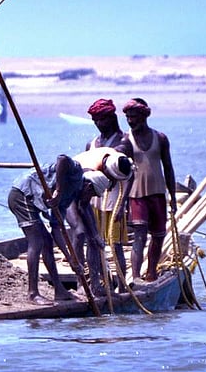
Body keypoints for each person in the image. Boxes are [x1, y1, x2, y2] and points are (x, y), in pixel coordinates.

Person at [7, 154, 83, 304]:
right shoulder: (76, 173)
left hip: (30, 201)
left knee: (47, 241)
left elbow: (57, 230)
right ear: (87, 186)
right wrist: (59, 190)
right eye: (90, 192)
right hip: (22, 194)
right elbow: (62, 159)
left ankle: (59, 290)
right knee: (37, 242)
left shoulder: (68, 198)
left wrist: (71, 259)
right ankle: (33, 293)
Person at [122, 97, 178, 283]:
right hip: (136, 194)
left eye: (134, 117)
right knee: (139, 234)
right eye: (128, 117)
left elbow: (168, 167)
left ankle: (151, 272)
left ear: (144, 116)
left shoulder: (160, 138)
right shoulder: (126, 140)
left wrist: (172, 197)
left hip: (157, 193)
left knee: (159, 235)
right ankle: (136, 276)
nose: (131, 121)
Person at [83, 98, 132, 283]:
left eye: (101, 119)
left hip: (114, 199)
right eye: (95, 120)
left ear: (112, 118)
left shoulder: (123, 142)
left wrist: (122, 205)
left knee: (115, 243)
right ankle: (97, 282)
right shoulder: (92, 143)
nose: (98, 124)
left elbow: (130, 176)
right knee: (93, 242)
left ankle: (121, 284)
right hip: (94, 199)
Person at [74, 146, 134, 291]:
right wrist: (94, 233)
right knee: (84, 235)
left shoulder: (117, 158)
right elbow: (82, 206)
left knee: (105, 242)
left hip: (88, 193)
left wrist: (122, 204)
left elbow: (131, 174)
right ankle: (84, 284)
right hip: (74, 192)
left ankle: (110, 285)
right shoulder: (88, 171)